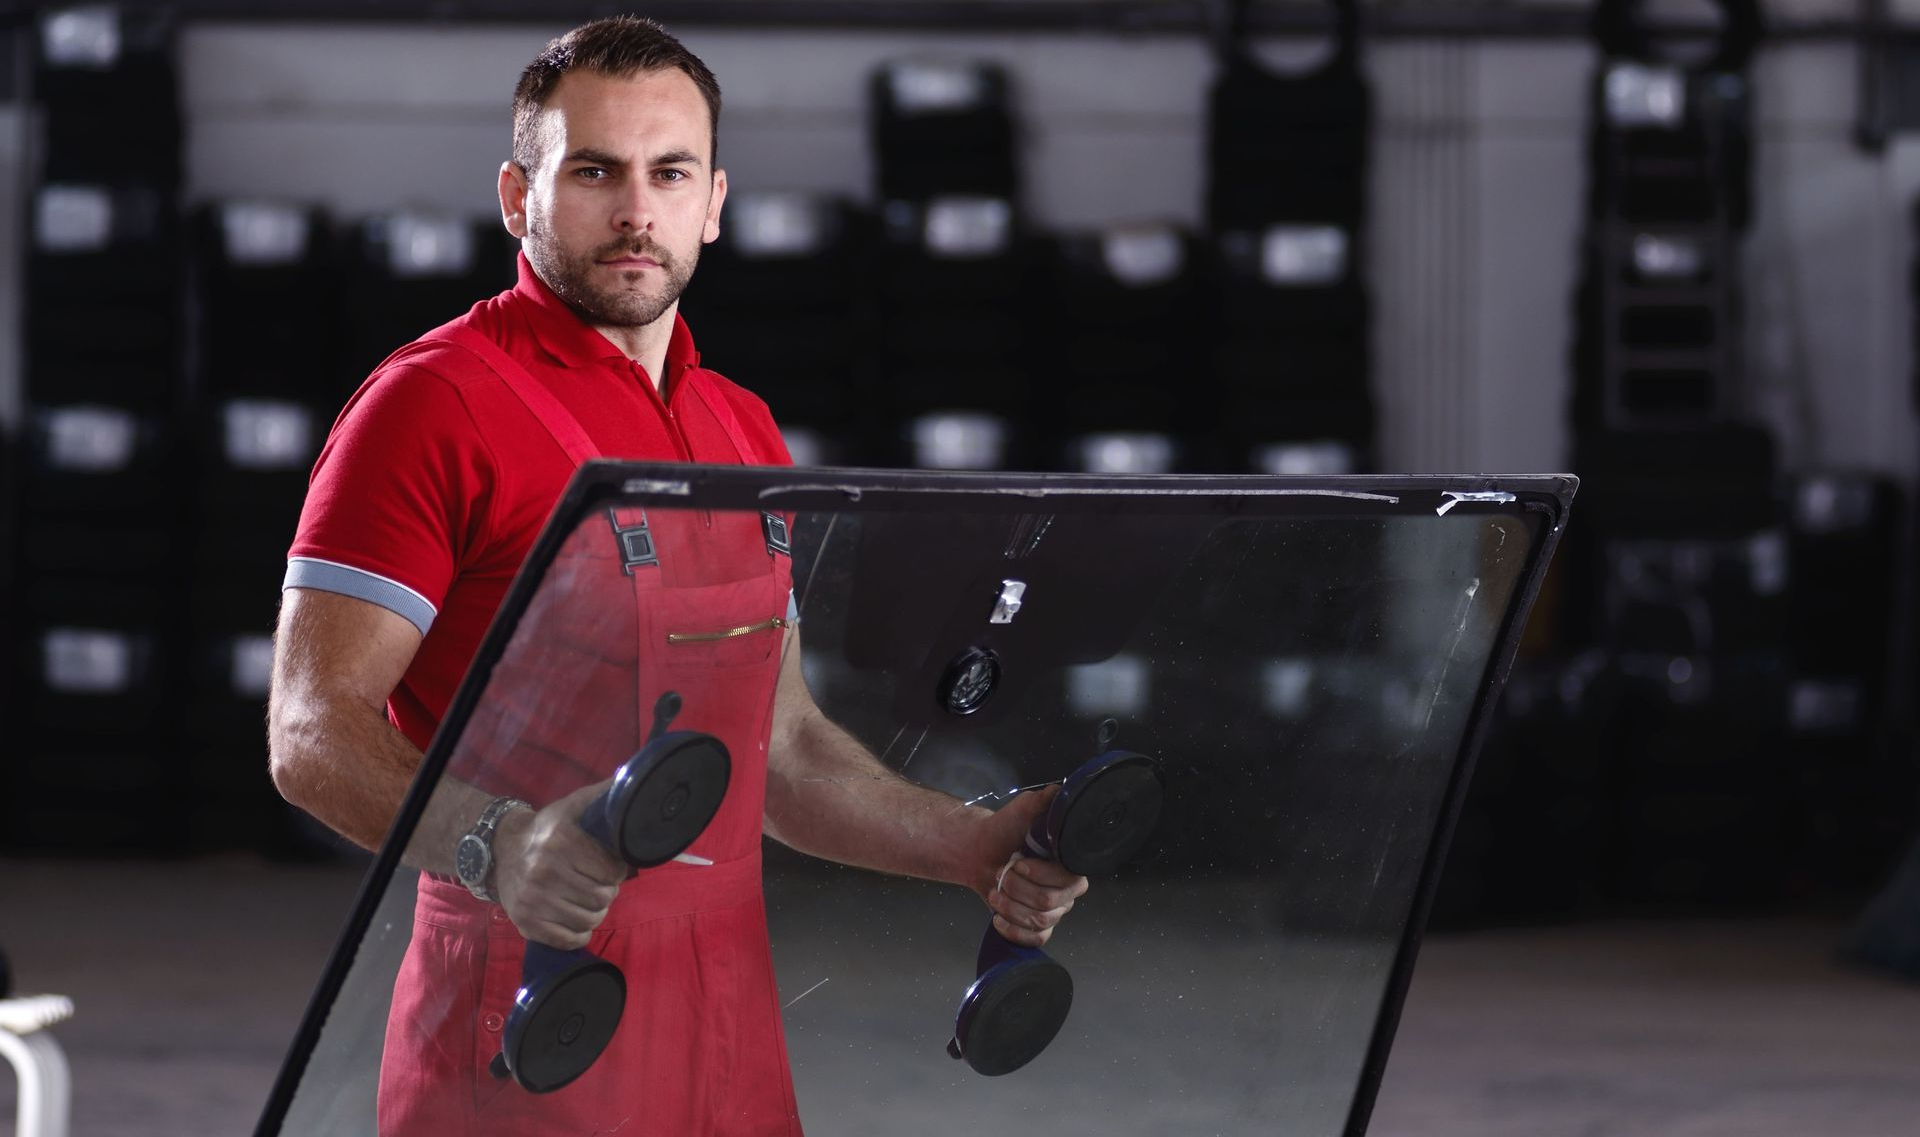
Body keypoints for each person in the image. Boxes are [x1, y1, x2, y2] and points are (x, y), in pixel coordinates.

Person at [266, 17, 1088, 1136]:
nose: (636, 211)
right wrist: (496, 844)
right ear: (518, 197)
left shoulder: (740, 429)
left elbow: (783, 752)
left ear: (714, 202)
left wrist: (970, 844)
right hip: (525, 1015)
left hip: (726, 1013)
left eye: (671, 173)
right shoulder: (430, 406)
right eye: (594, 171)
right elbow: (310, 732)